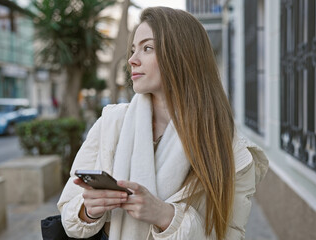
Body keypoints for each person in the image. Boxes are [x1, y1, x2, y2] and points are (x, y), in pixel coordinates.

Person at [57, 6, 268, 240]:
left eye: (147, 48)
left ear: (183, 54)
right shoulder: (111, 122)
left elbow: (229, 235)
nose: (132, 60)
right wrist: (88, 211)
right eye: (133, 49)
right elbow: (68, 212)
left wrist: (166, 216)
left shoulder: (232, 151)